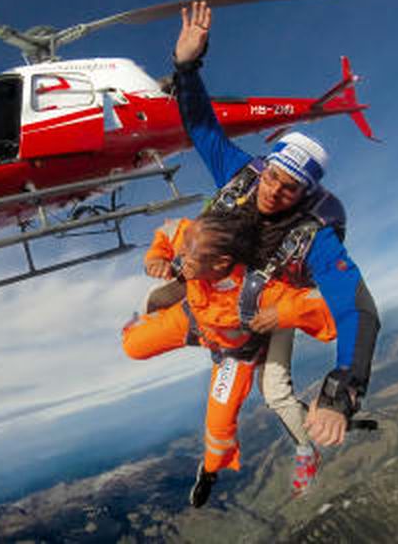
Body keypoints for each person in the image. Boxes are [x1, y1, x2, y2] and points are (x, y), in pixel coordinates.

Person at [172, 1, 381, 457]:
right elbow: (204, 129)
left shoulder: (315, 237)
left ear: (305, 195)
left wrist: (340, 391)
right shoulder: (241, 174)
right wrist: (187, 68)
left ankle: (306, 448)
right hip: (234, 287)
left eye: (288, 190)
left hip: (276, 299)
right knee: (173, 284)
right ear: (264, 167)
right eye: (271, 177)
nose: (272, 193)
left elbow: (359, 311)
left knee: (274, 388)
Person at [122, 213, 337, 507]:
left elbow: (327, 309)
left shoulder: (262, 291)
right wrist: (156, 256)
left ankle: (209, 471)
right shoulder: (197, 236)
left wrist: (283, 315)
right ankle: (146, 321)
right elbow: (170, 229)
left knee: (219, 426)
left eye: (188, 256)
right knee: (133, 345)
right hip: (194, 319)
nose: (180, 259)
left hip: (234, 354)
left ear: (221, 263)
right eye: (182, 252)